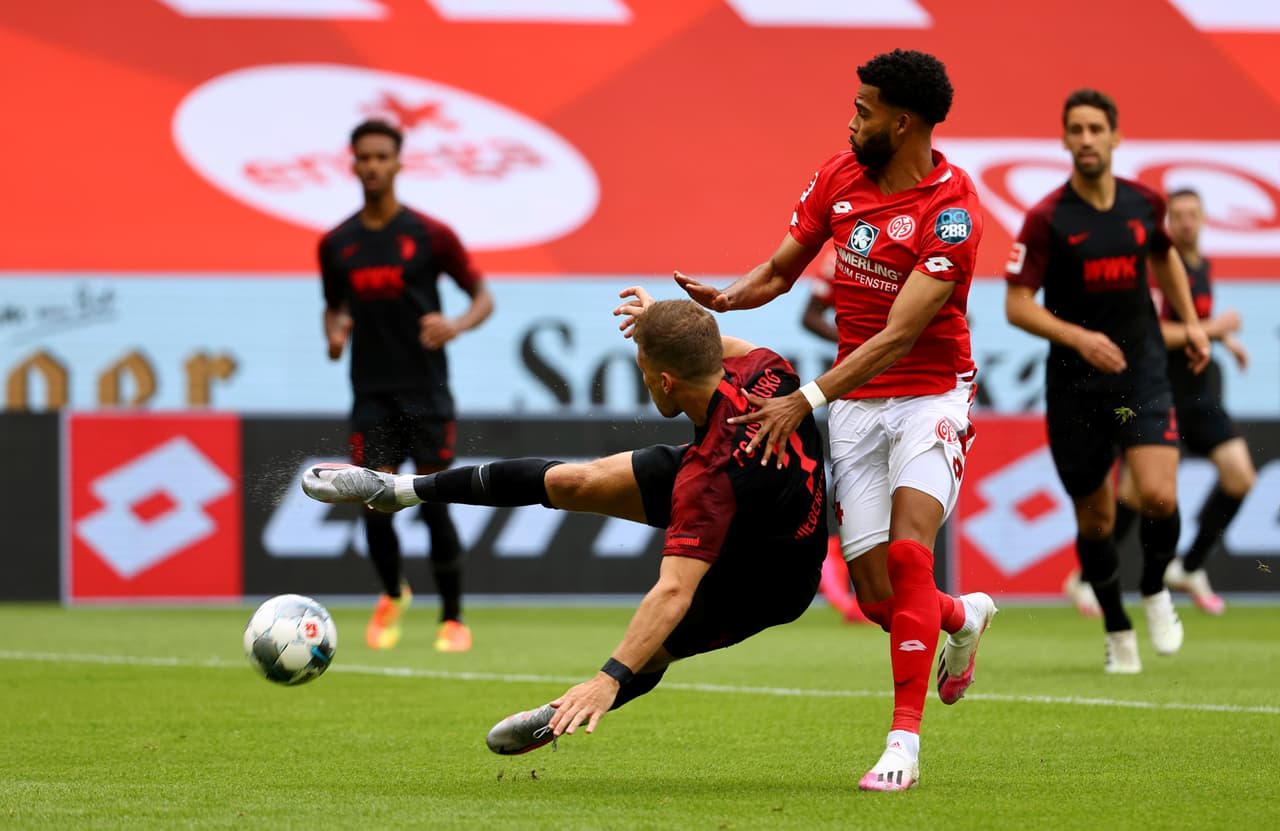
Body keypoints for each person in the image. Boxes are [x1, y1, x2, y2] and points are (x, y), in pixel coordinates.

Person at [304, 291, 839, 770]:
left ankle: (562, 711)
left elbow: (674, 590)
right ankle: (397, 491)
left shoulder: (707, 483)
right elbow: (703, 340)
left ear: (665, 381)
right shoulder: (766, 365)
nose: (644, 375)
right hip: (753, 482)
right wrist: (659, 322)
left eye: (643, 368)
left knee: (645, 655)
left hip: (771, 575)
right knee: (575, 481)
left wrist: (608, 675)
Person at [675, 49, 997, 792]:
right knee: (881, 600)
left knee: (913, 557)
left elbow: (897, 337)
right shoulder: (838, 175)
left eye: (863, 109)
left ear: (901, 120)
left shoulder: (952, 213)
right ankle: (963, 616)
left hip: (928, 394)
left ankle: (903, 745)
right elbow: (781, 270)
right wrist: (723, 300)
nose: (851, 121)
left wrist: (804, 399)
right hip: (855, 406)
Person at [1004, 89, 1211, 673]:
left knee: (1159, 494)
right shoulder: (1047, 218)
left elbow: (1165, 258)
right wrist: (1077, 337)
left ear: (1115, 137)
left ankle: (1154, 591)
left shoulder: (1145, 204)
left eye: (1097, 129)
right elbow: (1018, 305)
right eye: (1076, 129)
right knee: (1095, 519)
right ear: (1065, 139)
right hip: (1074, 387)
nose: (1087, 139)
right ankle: (1118, 629)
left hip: (1138, 375)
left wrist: (1191, 324)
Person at [318, 118, 495, 653]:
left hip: (427, 392)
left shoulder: (430, 236)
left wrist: (455, 325)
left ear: (398, 162)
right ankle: (393, 593)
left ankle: (453, 619)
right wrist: (334, 332)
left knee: (435, 500)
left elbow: (482, 296)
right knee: (373, 500)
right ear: (353, 164)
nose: (372, 166)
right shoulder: (337, 244)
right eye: (364, 158)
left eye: (381, 157)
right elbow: (333, 308)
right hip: (371, 394)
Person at [1109, 189, 1254, 615]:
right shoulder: (1159, 270)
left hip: (1197, 395)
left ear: (1205, 218)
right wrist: (1216, 328)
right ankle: (1088, 574)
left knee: (1240, 476)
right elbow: (1155, 332)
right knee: (1135, 493)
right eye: (1179, 215)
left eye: (1193, 214)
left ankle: (1189, 566)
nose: (1186, 222)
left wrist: (1226, 339)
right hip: (1159, 394)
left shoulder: (1202, 266)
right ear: (1168, 221)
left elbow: (1193, 320)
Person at [799, 245, 870, 624]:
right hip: (857, 385)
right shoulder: (844, 251)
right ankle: (843, 576)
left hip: (917, 392)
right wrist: (855, 347)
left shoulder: (928, 240)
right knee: (852, 481)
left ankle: (873, 587)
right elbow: (809, 316)